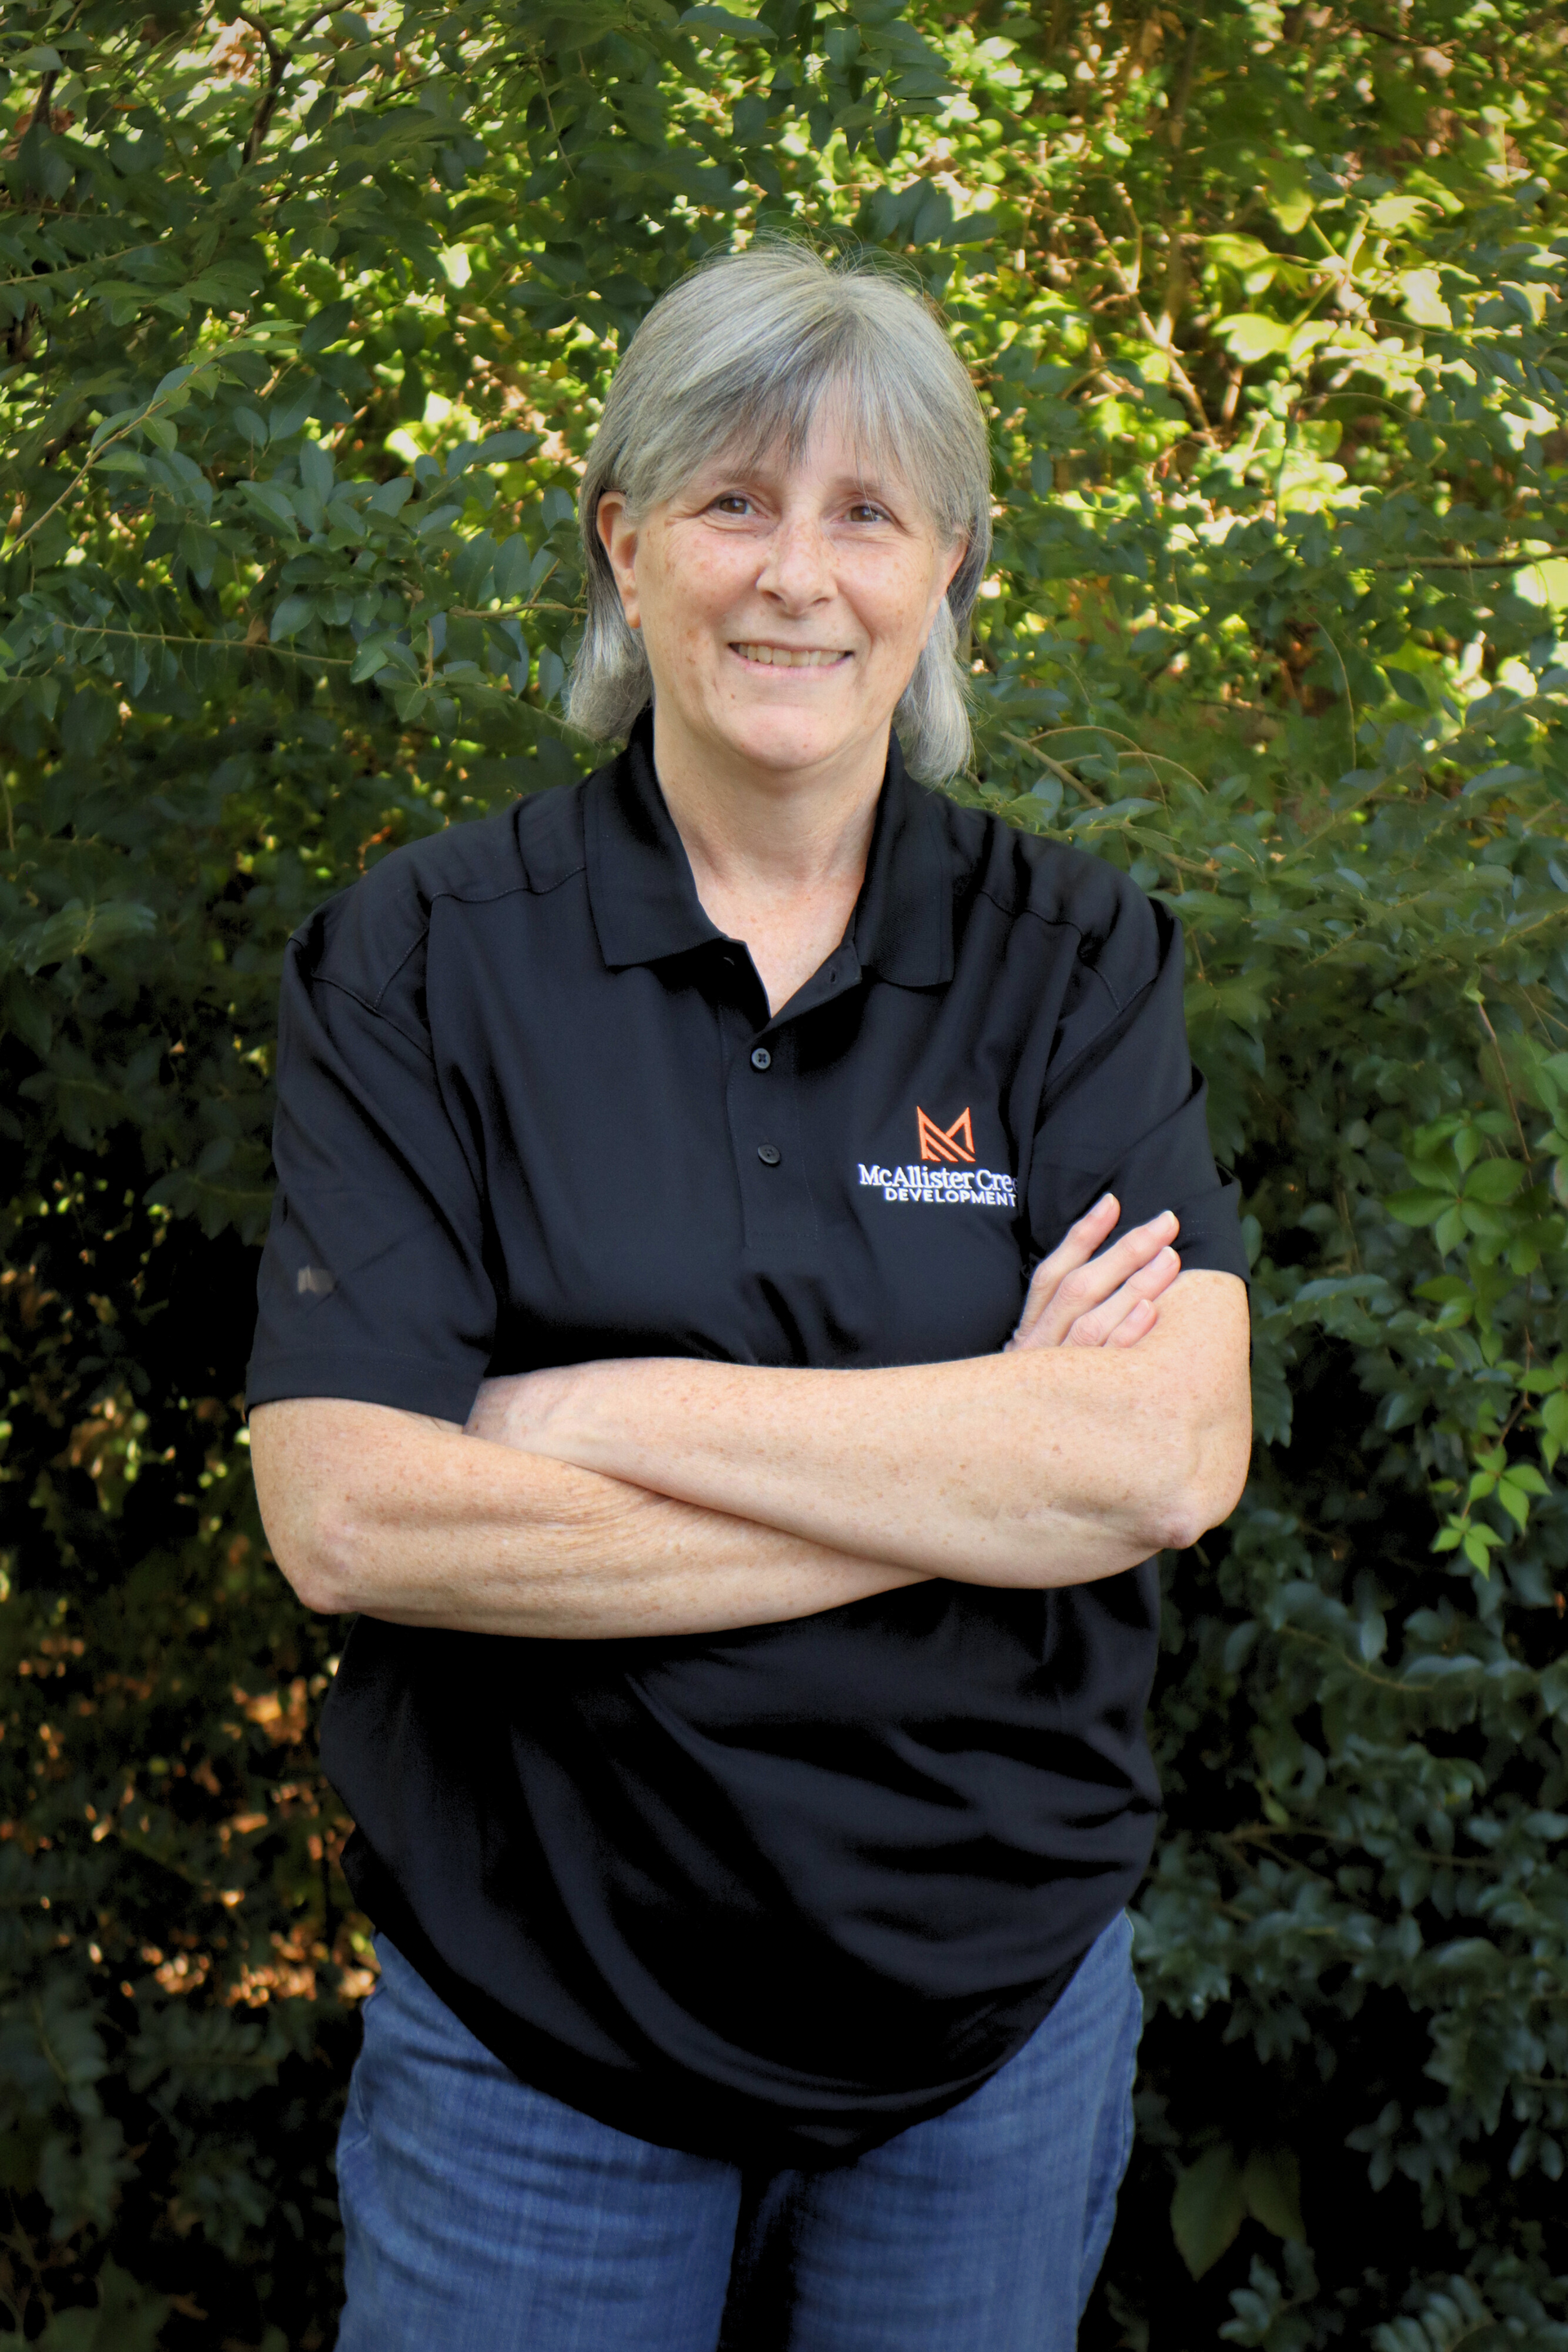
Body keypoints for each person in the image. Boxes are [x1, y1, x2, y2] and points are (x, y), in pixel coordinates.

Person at [247, 243, 1251, 2352]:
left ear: (952, 574)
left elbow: (1160, 1455)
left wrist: (587, 1411)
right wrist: (970, 1461)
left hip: (987, 2031)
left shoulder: (1074, 961)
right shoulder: (425, 959)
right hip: (542, 2037)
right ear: (624, 545)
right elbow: (349, 1518)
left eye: (866, 514)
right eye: (732, 502)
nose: (798, 576)